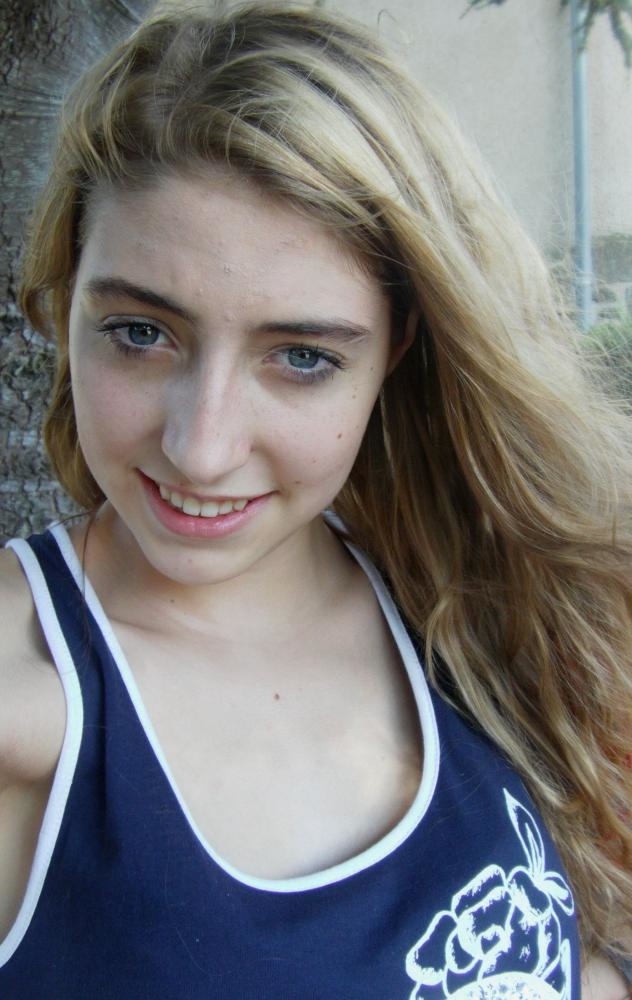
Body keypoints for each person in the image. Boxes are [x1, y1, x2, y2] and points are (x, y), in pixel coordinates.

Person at [0, 0, 630, 996]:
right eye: (139, 333)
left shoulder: (463, 600)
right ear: (65, 296)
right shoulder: (25, 697)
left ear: (400, 350)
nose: (202, 447)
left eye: (300, 357)